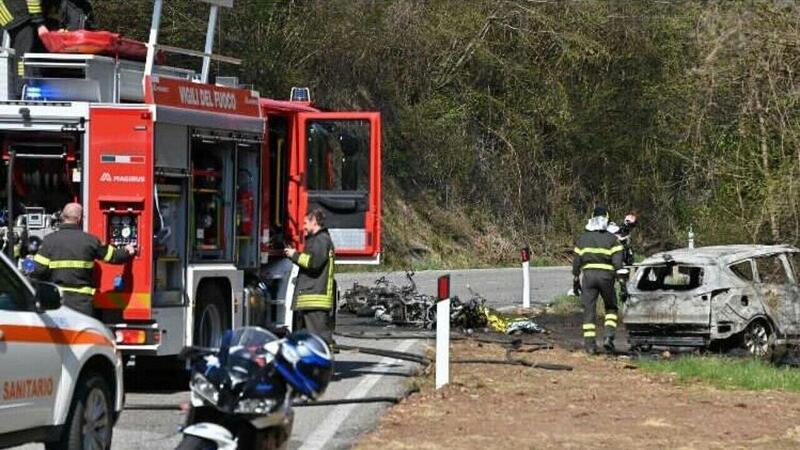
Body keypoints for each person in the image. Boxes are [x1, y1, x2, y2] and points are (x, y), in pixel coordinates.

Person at [31, 202, 134, 316]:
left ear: (62, 217)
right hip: (82, 305)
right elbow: (113, 256)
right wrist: (127, 251)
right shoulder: (90, 241)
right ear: (79, 219)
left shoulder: (49, 241)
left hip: (58, 304)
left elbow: (37, 270)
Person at [572, 205, 624, 354]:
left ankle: (589, 346)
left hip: (588, 278)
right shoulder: (613, 239)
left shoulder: (582, 239)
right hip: (607, 278)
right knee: (611, 307)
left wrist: (575, 280)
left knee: (589, 311)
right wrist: (622, 283)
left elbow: (576, 263)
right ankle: (608, 337)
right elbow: (618, 264)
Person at [284, 208, 335, 348]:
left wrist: (294, 255)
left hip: (315, 299)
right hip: (312, 299)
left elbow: (313, 263)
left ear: (315, 222)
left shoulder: (321, 240)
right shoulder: (318, 240)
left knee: (318, 340)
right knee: (309, 341)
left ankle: (324, 367)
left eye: (306, 222)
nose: (304, 226)